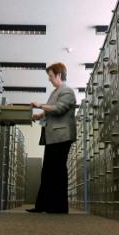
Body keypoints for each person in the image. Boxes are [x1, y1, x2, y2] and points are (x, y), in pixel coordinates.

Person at [27, 62, 77, 214]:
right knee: (48, 171)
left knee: (58, 170)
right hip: (52, 136)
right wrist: (39, 115)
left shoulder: (67, 91)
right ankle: (43, 205)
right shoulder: (55, 92)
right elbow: (50, 110)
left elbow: (59, 108)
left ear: (59, 75)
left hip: (62, 136)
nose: (49, 79)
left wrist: (40, 105)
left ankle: (60, 207)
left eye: (50, 75)